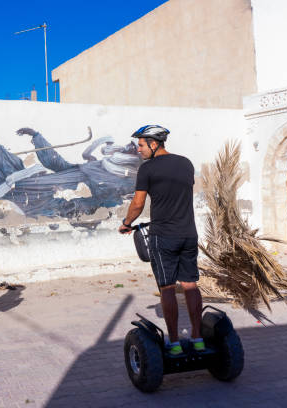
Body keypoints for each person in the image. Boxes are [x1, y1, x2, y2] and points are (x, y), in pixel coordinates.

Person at [119, 125, 204, 355]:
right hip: (188, 234)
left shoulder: (148, 169)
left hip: (163, 237)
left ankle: (174, 343)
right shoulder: (186, 163)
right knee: (190, 285)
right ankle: (197, 338)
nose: (138, 149)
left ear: (154, 144)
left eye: (141, 144)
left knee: (167, 288)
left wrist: (126, 224)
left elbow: (138, 204)